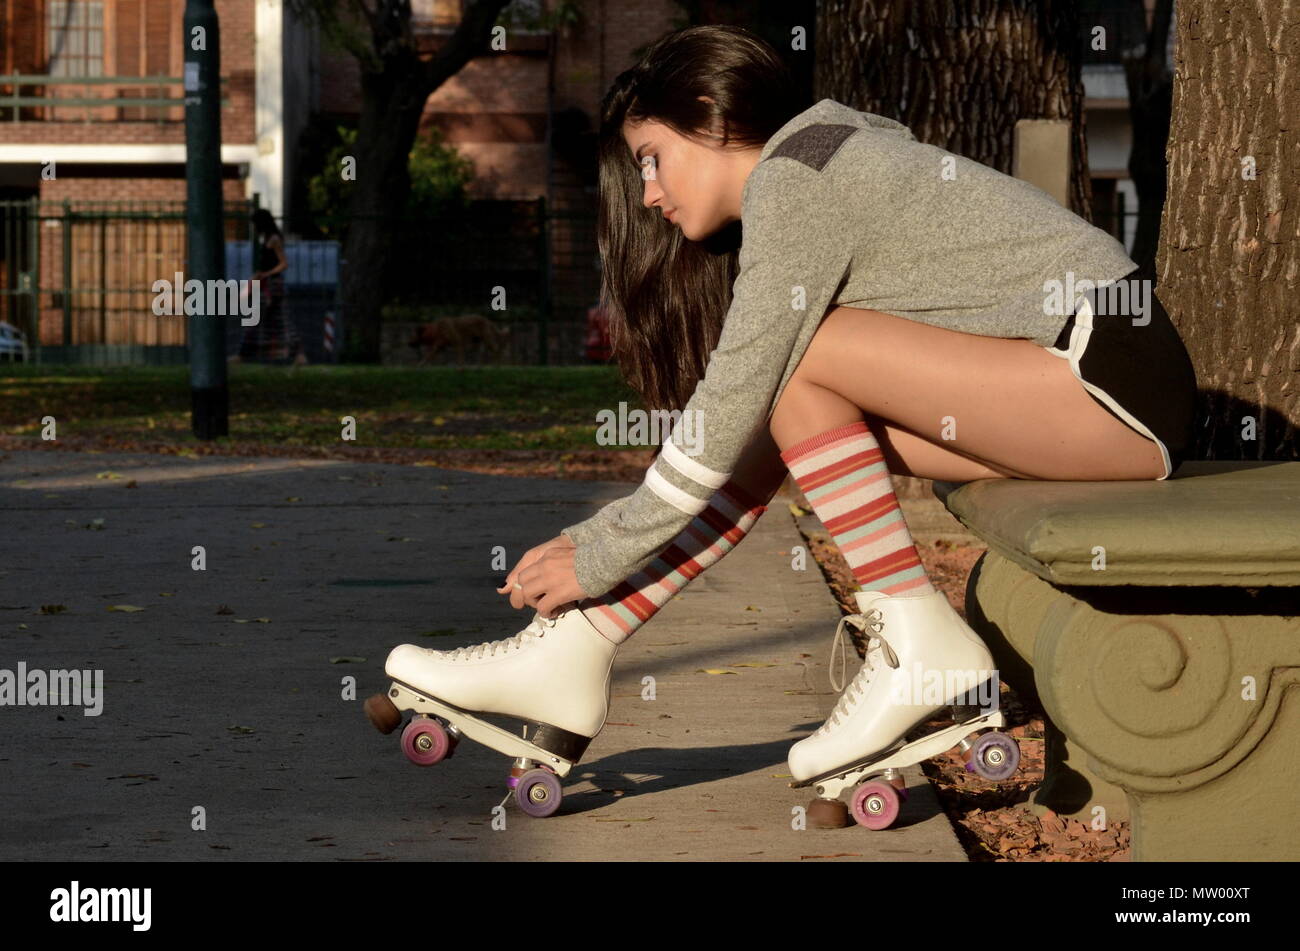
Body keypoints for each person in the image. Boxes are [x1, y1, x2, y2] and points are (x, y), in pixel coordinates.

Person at [377, 25, 1198, 795]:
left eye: (655, 159)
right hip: (1068, 393)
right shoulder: (817, 160)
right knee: (783, 412)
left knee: (792, 366)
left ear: (712, 116)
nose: (652, 194)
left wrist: (599, 545)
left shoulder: (799, 176)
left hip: (1111, 375)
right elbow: (747, 413)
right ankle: (578, 647)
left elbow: (735, 386)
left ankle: (917, 642)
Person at [231, 209, 306, 366]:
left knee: (256, 319)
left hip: (272, 286)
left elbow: (283, 264)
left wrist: (266, 274)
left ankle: (241, 355)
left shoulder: (273, 240)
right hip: (268, 283)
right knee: (281, 321)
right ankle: (299, 355)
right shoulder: (267, 239)